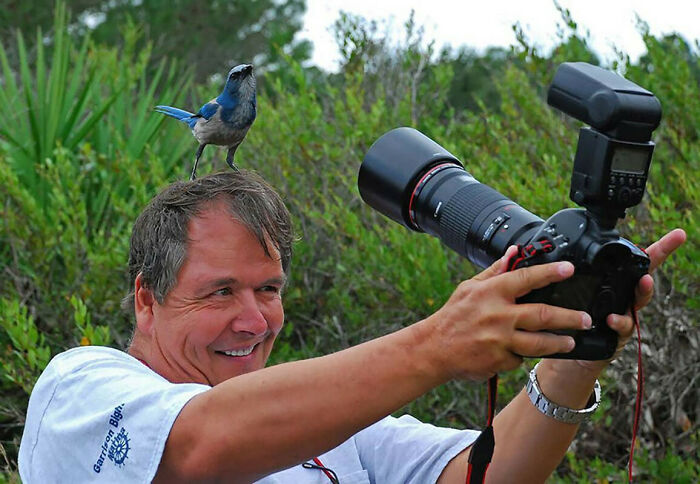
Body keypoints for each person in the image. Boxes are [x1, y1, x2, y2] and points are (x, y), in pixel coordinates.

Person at [18, 170, 686, 483]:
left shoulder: (331, 429)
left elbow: (485, 474)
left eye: (269, 289)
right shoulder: (80, 390)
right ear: (146, 298)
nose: (252, 319)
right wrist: (439, 343)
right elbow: (201, 445)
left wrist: (576, 345)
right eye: (220, 291)